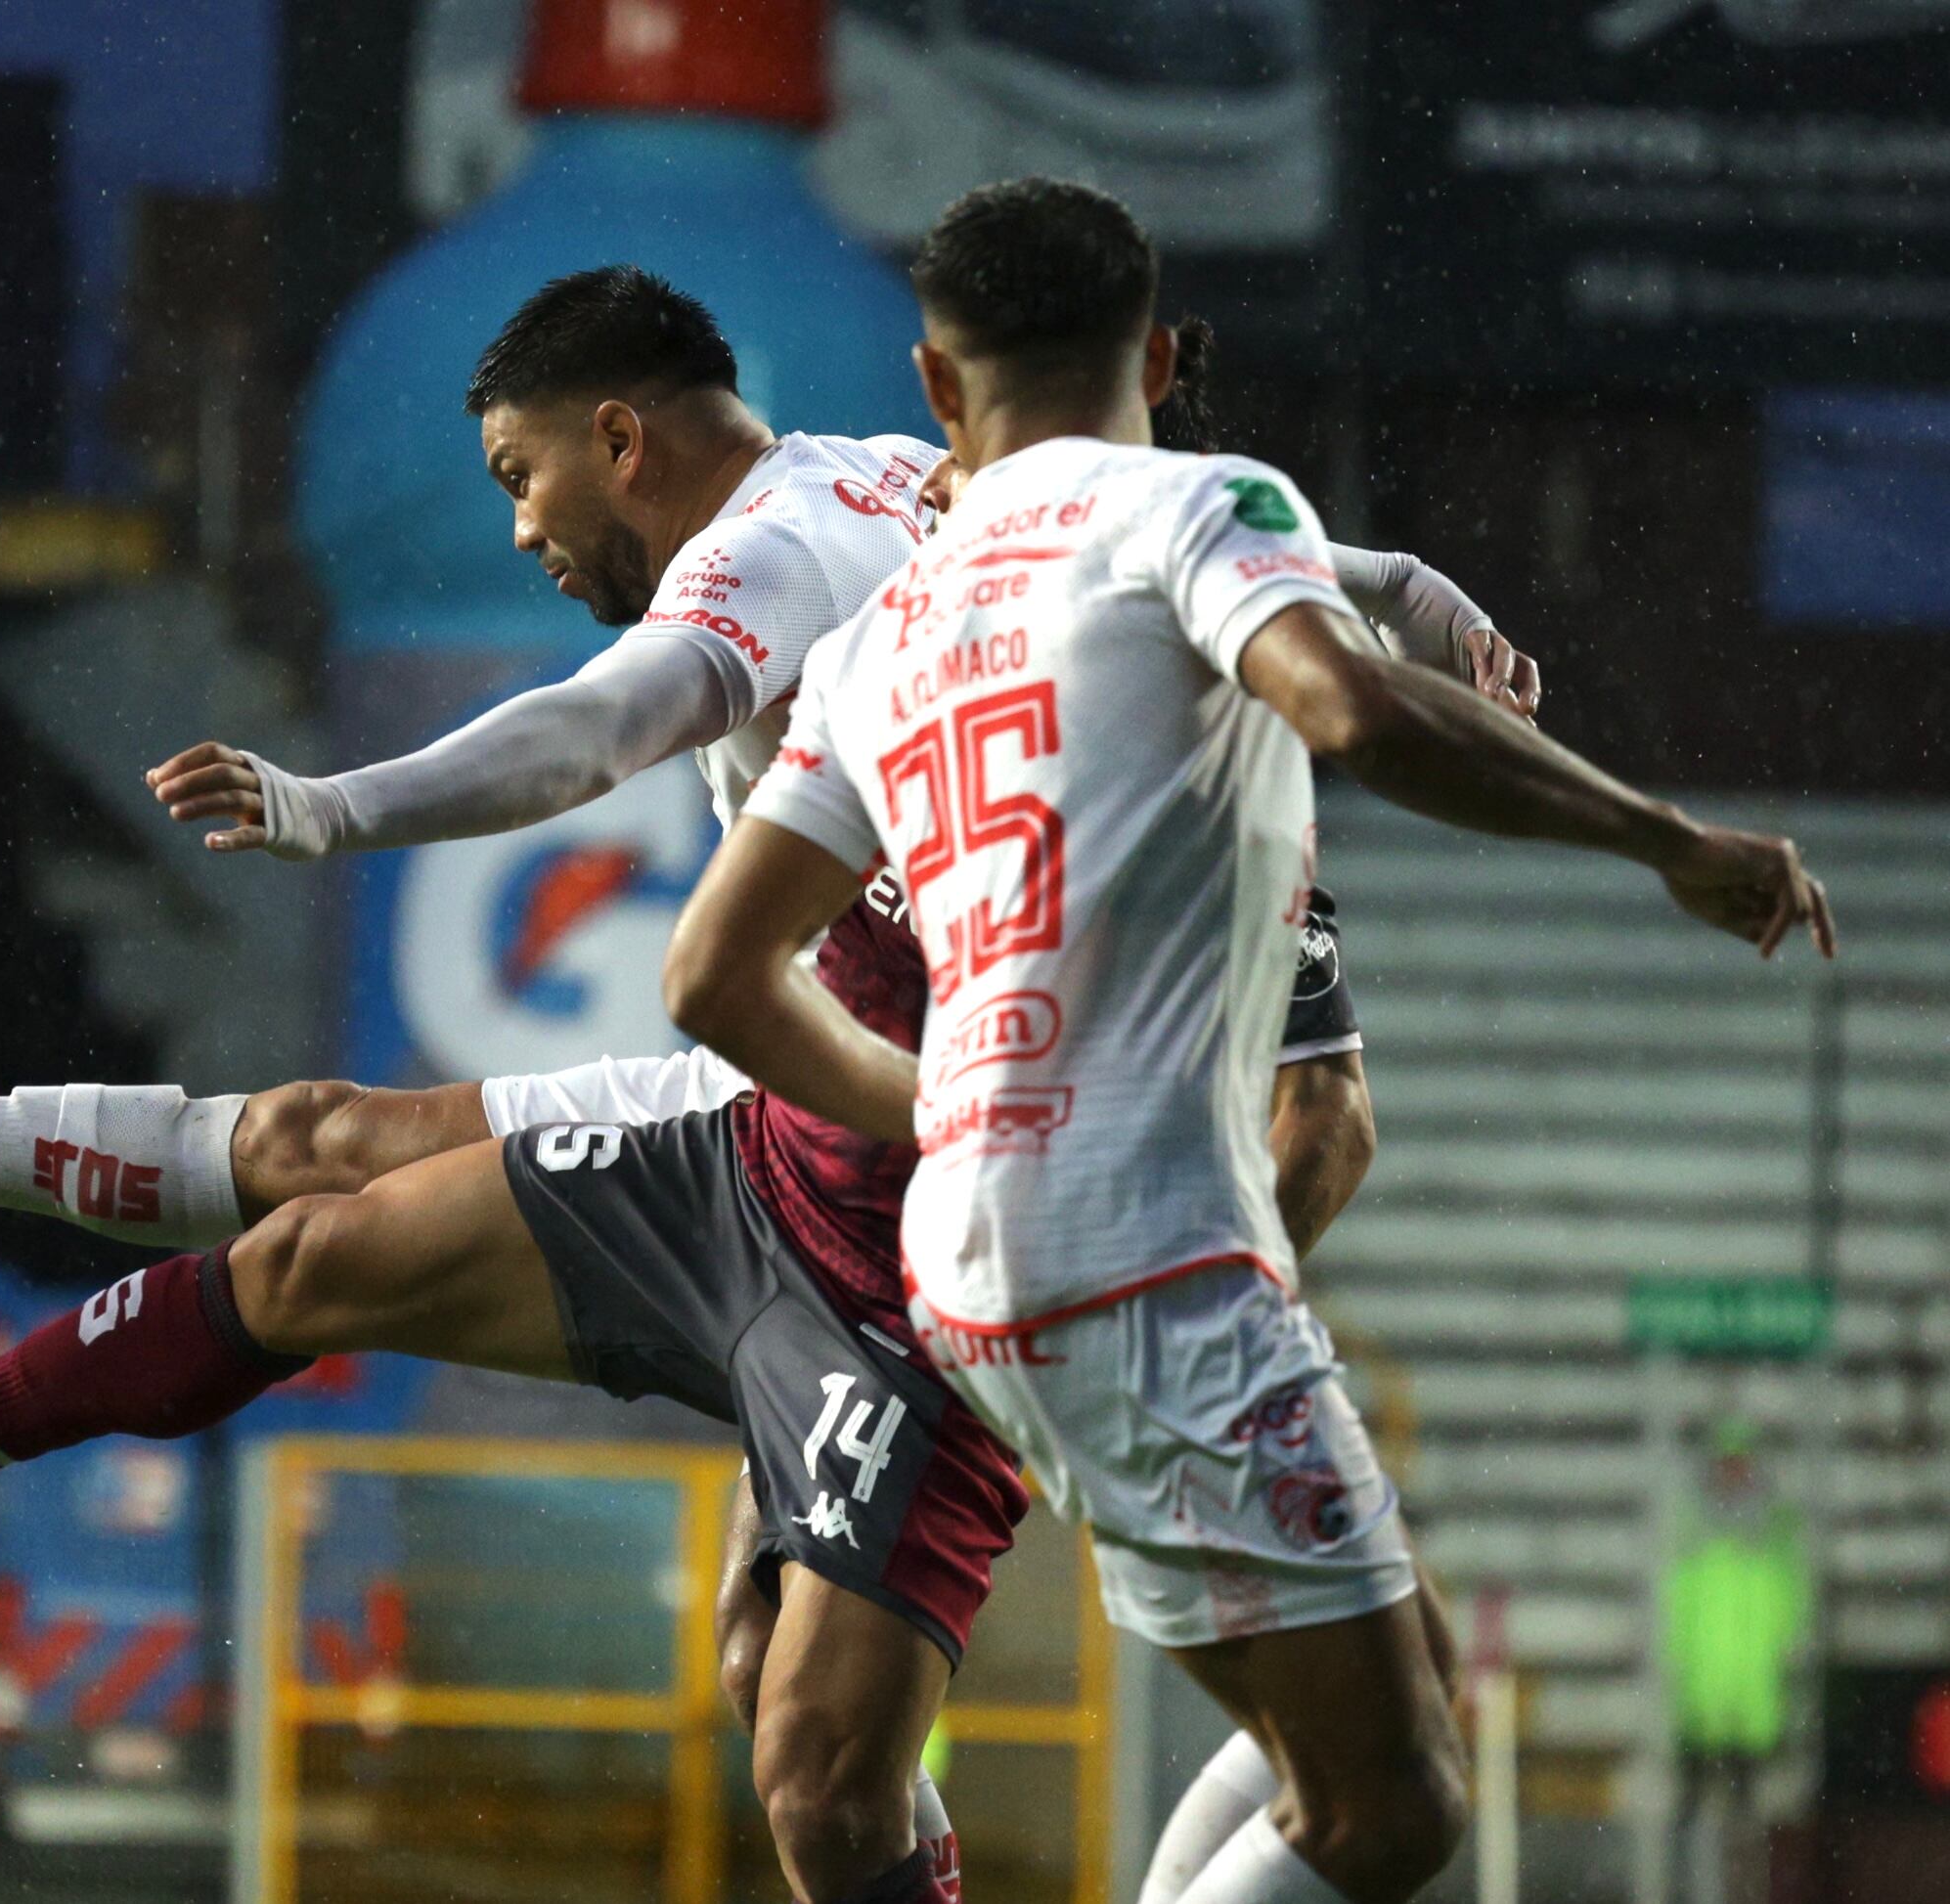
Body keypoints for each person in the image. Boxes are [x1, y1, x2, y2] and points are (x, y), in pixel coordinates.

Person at [0, 268, 1527, 1904]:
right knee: (325, 1195)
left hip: (926, 1248)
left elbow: (591, 731)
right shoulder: (930, 493)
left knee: (818, 1759)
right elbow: (1223, 542)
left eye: (520, 476)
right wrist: (1408, 587)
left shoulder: (794, 558)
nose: (522, 532)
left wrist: (334, 805)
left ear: (619, 436)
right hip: (782, 1132)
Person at [656, 178, 1833, 1904]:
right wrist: (1666, 839)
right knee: (1394, 1801)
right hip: (1146, 1246)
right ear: (1158, 356)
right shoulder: (1201, 507)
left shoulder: (880, 632)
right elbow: (1352, 704)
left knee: (1375, 1697)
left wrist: (938, 1114)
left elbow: (711, 973)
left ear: (934, 382)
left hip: (960, 1263)